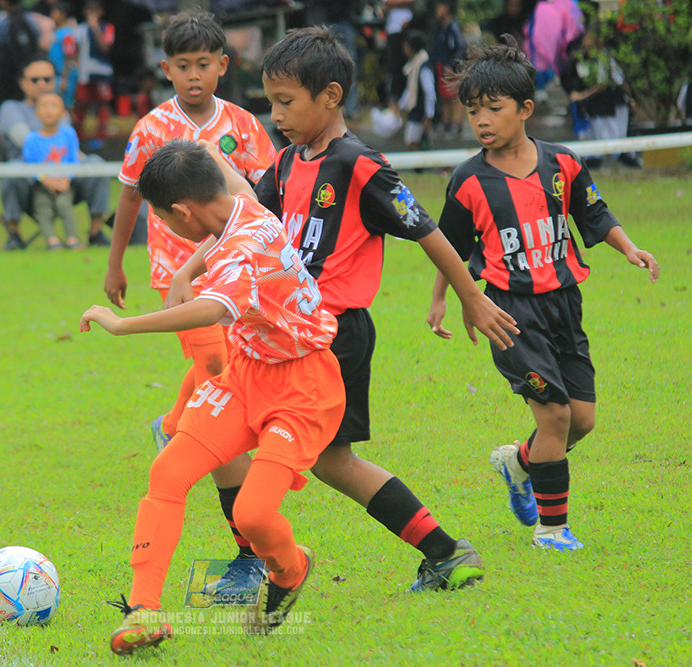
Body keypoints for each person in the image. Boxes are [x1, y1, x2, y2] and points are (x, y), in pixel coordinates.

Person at [172, 26, 518, 595]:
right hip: (282, 332)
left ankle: (254, 565)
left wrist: (470, 295)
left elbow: (425, 229)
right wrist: (190, 270)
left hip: (330, 336)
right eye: (270, 102)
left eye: (286, 101)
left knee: (236, 442)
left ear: (330, 96)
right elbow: (241, 223)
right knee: (323, 460)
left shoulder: (360, 164)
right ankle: (443, 552)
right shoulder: (288, 163)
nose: (275, 115)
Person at [83, 139, 346, 654]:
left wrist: (122, 324)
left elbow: (210, 310)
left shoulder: (241, 252)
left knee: (253, 515)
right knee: (168, 472)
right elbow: (226, 177)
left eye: (164, 220)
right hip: (245, 375)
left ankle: (291, 570)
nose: (168, 228)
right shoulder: (242, 202)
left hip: (303, 387)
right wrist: (186, 268)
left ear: (182, 212)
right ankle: (144, 610)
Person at [426, 38, 660, 552]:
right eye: (473, 111)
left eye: (493, 108)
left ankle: (519, 462)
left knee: (582, 419)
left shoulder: (563, 163)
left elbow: (593, 213)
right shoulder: (468, 181)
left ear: (525, 109)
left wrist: (629, 248)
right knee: (554, 416)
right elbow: (449, 246)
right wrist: (446, 298)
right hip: (510, 312)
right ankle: (552, 530)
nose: (481, 120)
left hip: (564, 303)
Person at [103, 12, 278, 571]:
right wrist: (115, 264)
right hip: (177, 273)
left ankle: (175, 426)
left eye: (204, 64)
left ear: (223, 65)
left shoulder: (243, 124)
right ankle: (247, 548)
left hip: (235, 272)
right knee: (220, 375)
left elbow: (265, 193)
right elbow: (130, 196)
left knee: (221, 370)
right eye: (183, 66)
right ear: (167, 69)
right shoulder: (152, 128)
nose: (194, 75)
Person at [0, 58, 111, 251]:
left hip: (65, 179)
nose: (42, 84)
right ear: (23, 83)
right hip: (30, 181)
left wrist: (67, 174)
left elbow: (68, 148)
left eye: (47, 79)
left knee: (96, 163)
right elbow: (25, 141)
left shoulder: (63, 113)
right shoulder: (11, 108)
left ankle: (95, 233)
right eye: (35, 80)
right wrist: (46, 177)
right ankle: (14, 235)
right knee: (12, 170)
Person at [563, 27, 640, 168]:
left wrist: (581, 96)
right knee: (597, 134)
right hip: (594, 103)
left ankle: (625, 158)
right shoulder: (581, 58)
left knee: (615, 135)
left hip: (611, 101)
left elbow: (604, 84)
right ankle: (595, 158)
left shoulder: (604, 58)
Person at [23, 92, 85, 250]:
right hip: (42, 185)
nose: (48, 110)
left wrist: (66, 180)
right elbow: (31, 165)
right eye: (44, 106)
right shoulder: (31, 139)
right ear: (36, 112)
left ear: (63, 112)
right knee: (42, 207)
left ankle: (73, 239)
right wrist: (47, 181)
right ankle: (52, 240)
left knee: (64, 204)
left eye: (54, 106)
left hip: (65, 183)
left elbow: (74, 159)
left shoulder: (69, 134)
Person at [72, 0, 115, 148]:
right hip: (84, 73)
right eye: (89, 10)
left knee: (103, 103)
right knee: (81, 103)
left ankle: (101, 136)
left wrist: (95, 28)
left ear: (101, 12)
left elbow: (105, 48)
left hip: (101, 71)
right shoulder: (80, 29)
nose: (92, 14)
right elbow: (75, 51)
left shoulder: (107, 28)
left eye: (95, 10)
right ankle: (79, 136)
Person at [0, 0, 43, 112]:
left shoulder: (1, 21)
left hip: (7, 69)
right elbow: (39, 42)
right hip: (28, 66)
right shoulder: (30, 18)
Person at [394, 29, 436, 152]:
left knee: (414, 141)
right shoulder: (414, 65)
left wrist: (429, 114)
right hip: (415, 111)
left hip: (420, 112)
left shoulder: (423, 67)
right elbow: (410, 89)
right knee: (411, 140)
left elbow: (429, 92)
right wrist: (401, 105)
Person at [430, 0, 466, 137]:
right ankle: (447, 123)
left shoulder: (453, 27)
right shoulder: (441, 27)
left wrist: (452, 64)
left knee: (455, 96)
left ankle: (457, 123)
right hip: (441, 66)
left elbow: (460, 47)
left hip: (450, 67)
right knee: (444, 97)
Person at [47, 1, 78, 110]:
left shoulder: (68, 34)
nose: (52, 16)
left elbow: (70, 57)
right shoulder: (56, 32)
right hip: (56, 75)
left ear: (63, 14)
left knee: (66, 107)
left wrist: (65, 79)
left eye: (55, 13)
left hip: (64, 76)